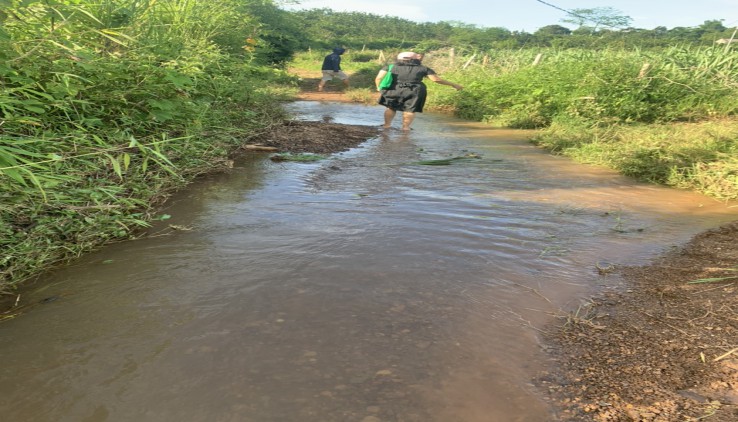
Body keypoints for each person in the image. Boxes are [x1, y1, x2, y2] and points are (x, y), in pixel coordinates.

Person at [375, 51, 463, 131]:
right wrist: (454, 84)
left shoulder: (390, 67)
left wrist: (378, 87)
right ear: (415, 59)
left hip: (393, 90)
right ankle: (405, 128)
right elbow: (436, 80)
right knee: (410, 109)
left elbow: (378, 78)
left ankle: (387, 125)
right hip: (414, 91)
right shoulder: (424, 68)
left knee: (391, 107)